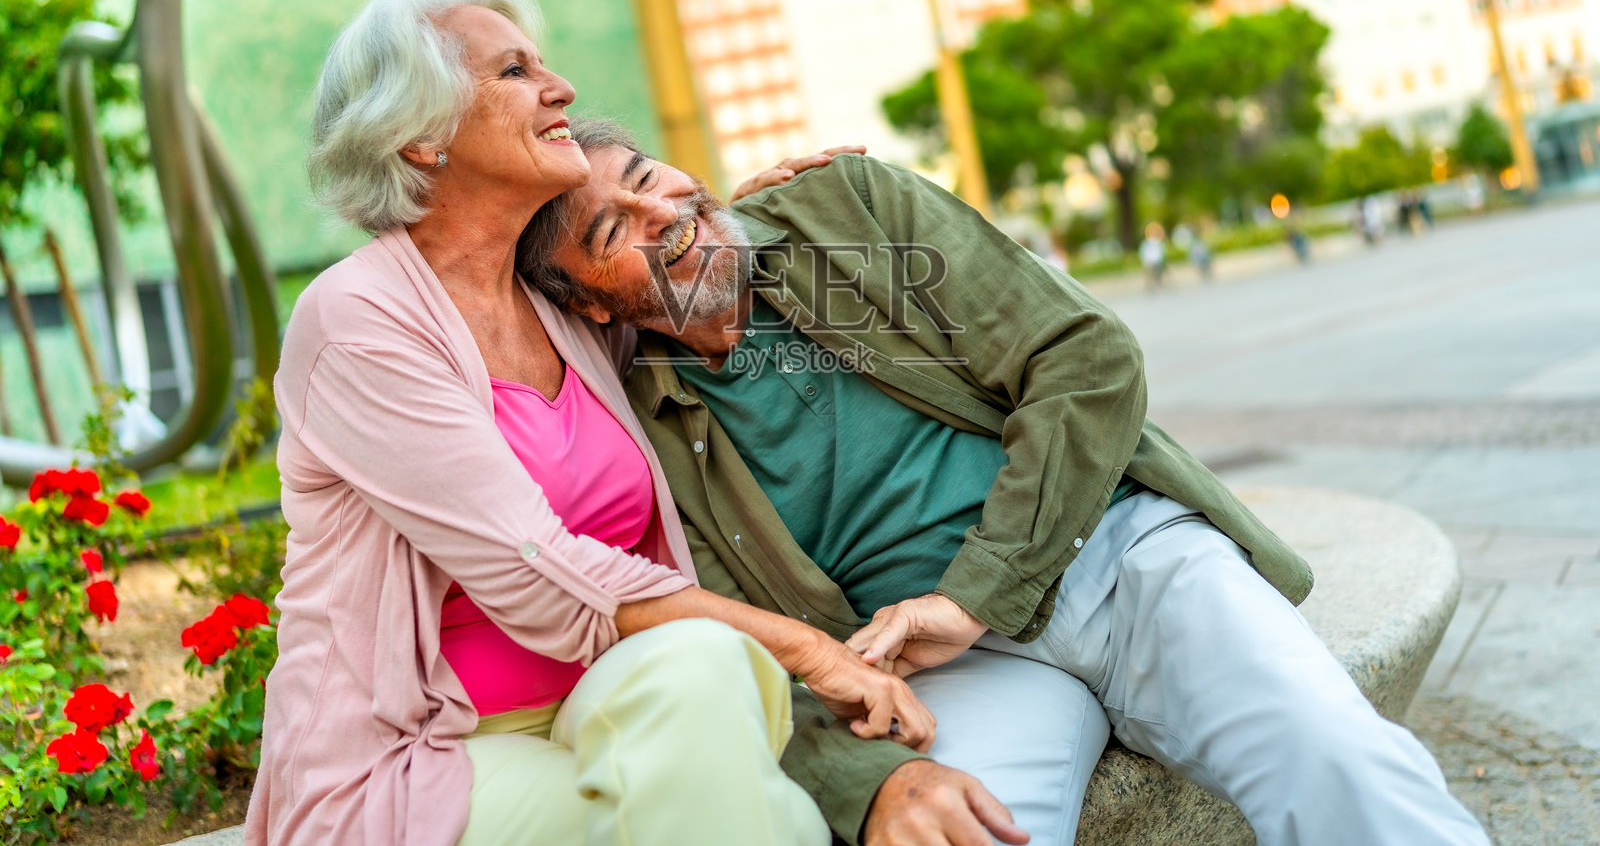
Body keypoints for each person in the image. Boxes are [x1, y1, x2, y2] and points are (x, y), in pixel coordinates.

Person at [518, 118, 1492, 846]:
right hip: (945, 677)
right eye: (614, 227)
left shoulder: (842, 205)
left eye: (652, 178)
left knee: (1334, 756)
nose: (664, 211)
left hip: (1118, 556)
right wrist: (868, 783)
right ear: (589, 303)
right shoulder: (627, 425)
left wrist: (972, 594)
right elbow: (727, 641)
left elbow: (1085, 357)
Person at [247, 0, 939, 846]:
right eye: (512, 72)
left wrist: (722, 220)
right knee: (739, 791)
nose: (559, 86)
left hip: (611, 706)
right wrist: (808, 648)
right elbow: (533, 571)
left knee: (696, 675)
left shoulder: (560, 311)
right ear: (422, 141)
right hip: (428, 753)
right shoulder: (357, 321)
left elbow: (676, 298)